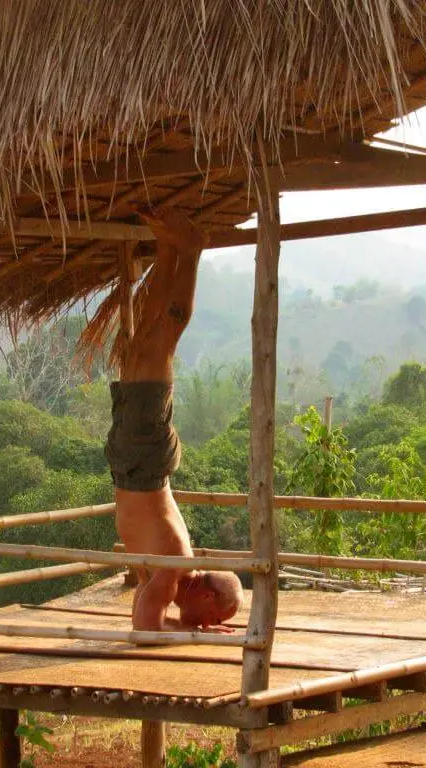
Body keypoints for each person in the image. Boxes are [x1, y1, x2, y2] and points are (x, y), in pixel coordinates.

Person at [101, 208, 244, 633]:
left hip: (137, 461)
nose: (208, 624)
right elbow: (145, 631)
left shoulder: (171, 574)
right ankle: (192, 252)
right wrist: (190, 633)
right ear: (204, 595)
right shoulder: (173, 569)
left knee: (145, 338)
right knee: (163, 337)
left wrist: (185, 627)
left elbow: (143, 617)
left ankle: (168, 250)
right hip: (142, 459)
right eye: (216, 615)